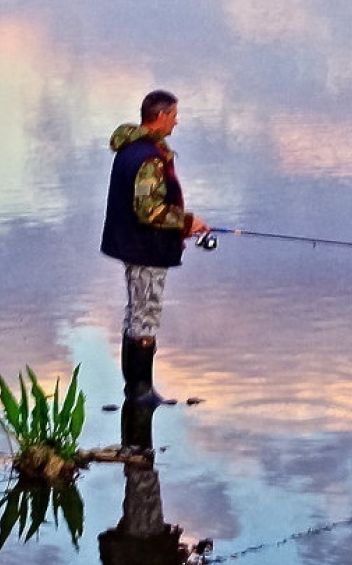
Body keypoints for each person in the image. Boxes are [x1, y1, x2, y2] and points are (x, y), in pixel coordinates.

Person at [101, 90, 210, 406]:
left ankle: (135, 389)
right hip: (144, 249)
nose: (177, 121)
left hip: (133, 245)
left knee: (136, 313)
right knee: (145, 315)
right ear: (160, 116)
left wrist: (180, 226)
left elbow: (142, 207)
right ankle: (141, 392)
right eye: (174, 115)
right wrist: (187, 222)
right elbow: (148, 209)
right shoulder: (148, 157)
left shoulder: (130, 149)